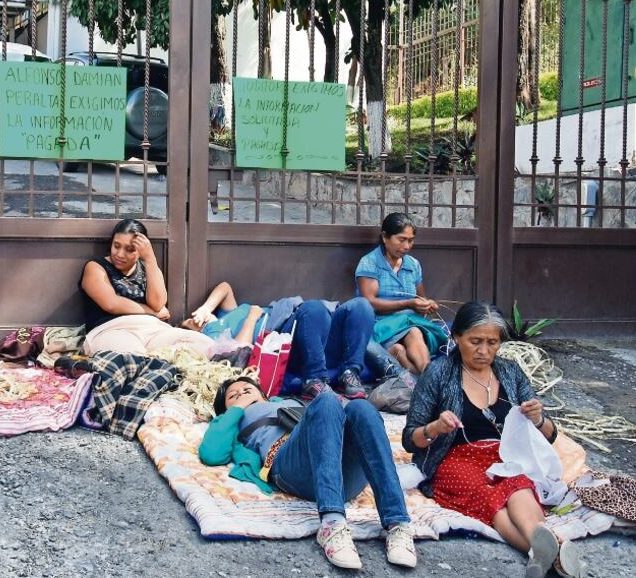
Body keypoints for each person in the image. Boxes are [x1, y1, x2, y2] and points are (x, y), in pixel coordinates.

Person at [402, 301, 583, 578]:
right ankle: (555, 555)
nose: (484, 351)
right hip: (454, 458)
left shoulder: (510, 372)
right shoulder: (437, 374)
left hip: (506, 455)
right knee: (487, 495)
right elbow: (410, 440)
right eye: (475, 341)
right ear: (456, 336)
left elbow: (550, 435)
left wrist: (537, 419)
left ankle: (541, 553)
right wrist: (436, 427)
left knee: (517, 482)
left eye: (492, 342)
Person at [199, 376, 418, 571]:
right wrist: (236, 410)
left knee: (361, 407)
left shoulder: (286, 403)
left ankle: (397, 523)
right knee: (326, 400)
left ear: (263, 393)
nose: (242, 396)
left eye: (247, 390)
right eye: (233, 396)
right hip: (292, 466)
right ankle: (332, 523)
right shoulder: (232, 420)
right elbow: (212, 453)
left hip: (342, 475)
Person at [183, 281, 402, 400]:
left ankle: (350, 374)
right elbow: (242, 348)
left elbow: (225, 287)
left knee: (360, 306)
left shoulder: (226, 313)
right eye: (189, 322)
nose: (194, 320)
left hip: (315, 336)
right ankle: (315, 380)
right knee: (313, 308)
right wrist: (252, 317)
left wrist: (205, 308)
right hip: (286, 347)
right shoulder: (212, 335)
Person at [80, 219, 213, 356]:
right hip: (111, 330)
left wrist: (150, 258)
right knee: (133, 357)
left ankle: (157, 362)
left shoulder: (148, 268)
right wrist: (153, 312)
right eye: (116, 246)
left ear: (140, 251)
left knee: (206, 345)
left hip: (152, 330)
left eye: (130, 249)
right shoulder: (96, 267)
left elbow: (158, 303)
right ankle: (155, 362)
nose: (120, 254)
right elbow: (111, 304)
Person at [356, 212, 442, 375]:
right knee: (410, 335)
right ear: (385, 237)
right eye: (401, 239)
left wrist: (427, 304)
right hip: (379, 324)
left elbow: (420, 298)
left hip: (409, 322)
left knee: (413, 331)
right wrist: (408, 303)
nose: (407, 246)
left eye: (410, 240)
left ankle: (420, 371)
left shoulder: (413, 265)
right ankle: (427, 375)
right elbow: (369, 303)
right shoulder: (370, 263)